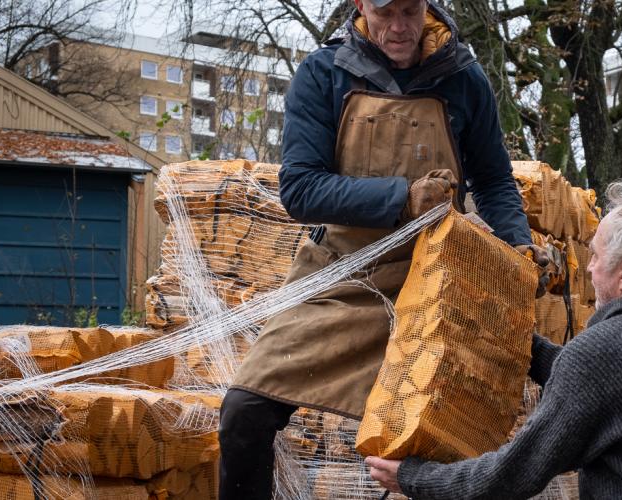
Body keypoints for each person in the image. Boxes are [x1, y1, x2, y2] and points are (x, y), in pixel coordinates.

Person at [218, 0, 547, 497]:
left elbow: (495, 181)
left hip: (438, 278)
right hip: (340, 276)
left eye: (410, 12)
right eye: (384, 12)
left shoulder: (463, 77)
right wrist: (402, 199)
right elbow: (300, 190)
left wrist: (518, 246)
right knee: (244, 411)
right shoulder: (324, 73)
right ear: (360, 6)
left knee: (446, 433)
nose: (398, 28)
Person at [366, 181, 622, 499]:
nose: (589, 268)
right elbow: (609, 384)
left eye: (595, 256)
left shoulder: (603, 354)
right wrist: (514, 339)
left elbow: (512, 475)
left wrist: (414, 477)